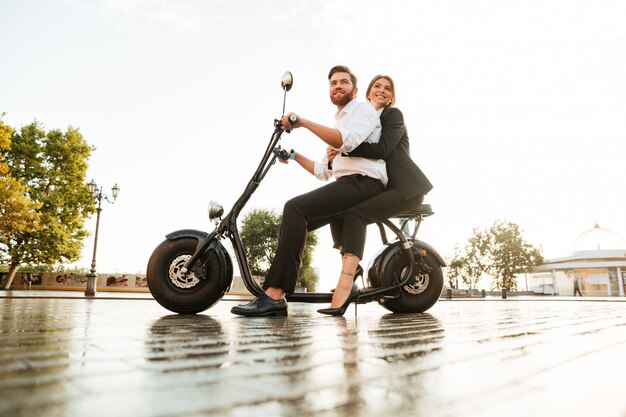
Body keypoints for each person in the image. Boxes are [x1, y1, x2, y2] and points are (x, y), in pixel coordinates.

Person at [231, 65, 387, 317]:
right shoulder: (339, 121)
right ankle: (278, 290)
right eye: (333, 82)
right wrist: (292, 155)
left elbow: (344, 140)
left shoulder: (363, 111)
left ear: (355, 90)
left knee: (295, 208)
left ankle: (274, 294)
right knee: (296, 218)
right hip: (349, 184)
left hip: (365, 183)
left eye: (344, 82)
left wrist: (302, 122)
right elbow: (322, 171)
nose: (338, 86)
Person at [321, 74, 433, 314]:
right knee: (338, 207)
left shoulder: (393, 115)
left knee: (356, 214)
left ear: (392, 96)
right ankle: (350, 269)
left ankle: (346, 279)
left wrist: (343, 149)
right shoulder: (362, 119)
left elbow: (382, 149)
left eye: (388, 88)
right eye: (377, 86)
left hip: (406, 188)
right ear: (368, 92)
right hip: (383, 186)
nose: (382, 90)